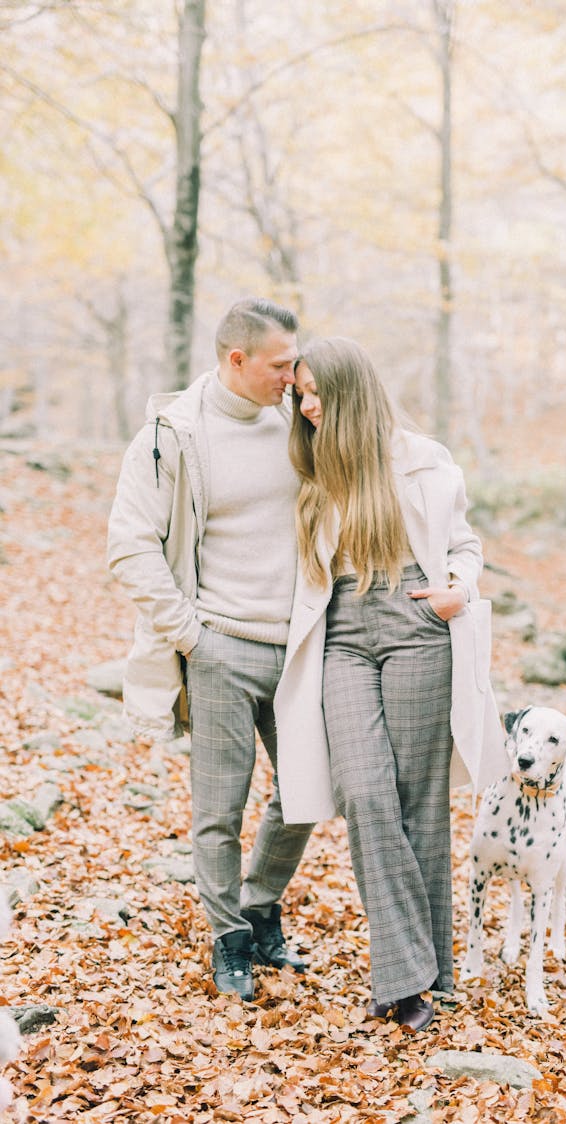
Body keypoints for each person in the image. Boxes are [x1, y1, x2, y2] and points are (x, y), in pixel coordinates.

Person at [273, 337, 502, 1032]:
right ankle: (411, 973)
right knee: (366, 793)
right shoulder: (307, 467)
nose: (307, 407)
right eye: (300, 395)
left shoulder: (424, 461)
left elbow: (463, 544)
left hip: (414, 622)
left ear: (352, 394)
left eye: (317, 394)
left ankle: (418, 980)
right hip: (340, 630)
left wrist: (458, 590)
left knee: (418, 803)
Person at [107, 297, 314, 1002]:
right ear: (237, 359)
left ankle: (259, 905)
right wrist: (194, 638)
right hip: (220, 648)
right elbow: (129, 547)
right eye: (280, 364)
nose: (293, 375)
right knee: (219, 810)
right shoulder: (171, 437)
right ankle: (229, 939)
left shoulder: (298, 423)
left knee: (312, 790)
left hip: (297, 653)